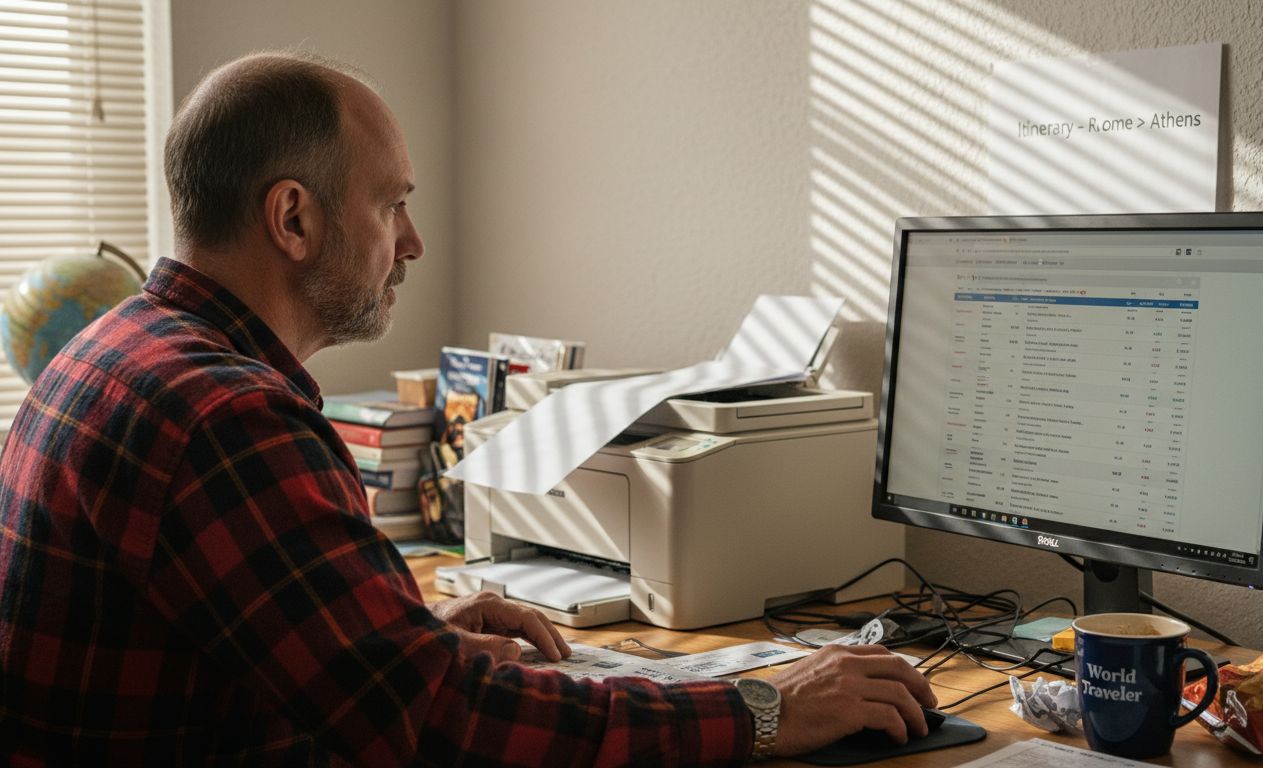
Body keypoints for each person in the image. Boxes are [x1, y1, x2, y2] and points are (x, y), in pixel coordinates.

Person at [0, 52, 936, 765]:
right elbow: (440, 725)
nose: (411, 242)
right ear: (293, 219)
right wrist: (766, 709)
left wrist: (406, 639)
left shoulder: (111, 350)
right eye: (391, 204)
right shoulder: (229, 416)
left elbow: (237, 653)